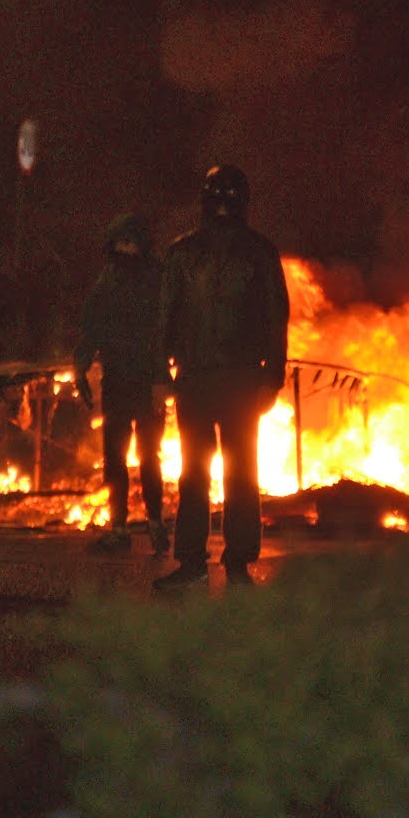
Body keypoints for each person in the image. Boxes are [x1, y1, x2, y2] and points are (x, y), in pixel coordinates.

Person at [152, 165, 290, 590]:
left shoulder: (257, 253)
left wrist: (272, 377)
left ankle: (233, 563)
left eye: (230, 197)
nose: (224, 206)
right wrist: (160, 373)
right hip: (200, 379)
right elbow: (165, 316)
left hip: (236, 379)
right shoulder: (185, 253)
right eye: (220, 197)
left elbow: (275, 318)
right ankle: (199, 563)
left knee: (237, 473)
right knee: (198, 474)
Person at [75, 213, 170, 554]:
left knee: (149, 456)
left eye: (131, 242)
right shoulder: (108, 281)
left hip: (147, 382)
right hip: (116, 381)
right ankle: (119, 528)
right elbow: (92, 326)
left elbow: (164, 333)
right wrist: (81, 366)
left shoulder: (157, 281)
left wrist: (161, 381)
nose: (126, 248)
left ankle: (155, 522)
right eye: (121, 242)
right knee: (114, 457)